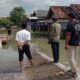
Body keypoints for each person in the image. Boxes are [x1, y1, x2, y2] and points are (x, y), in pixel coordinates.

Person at [65, 12, 80, 77]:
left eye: (68, 17)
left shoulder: (70, 24)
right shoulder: (78, 23)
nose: (67, 18)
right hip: (77, 42)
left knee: (70, 58)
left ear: (70, 17)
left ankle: (74, 72)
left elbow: (68, 35)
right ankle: (72, 69)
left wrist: (66, 43)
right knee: (75, 57)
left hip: (71, 43)